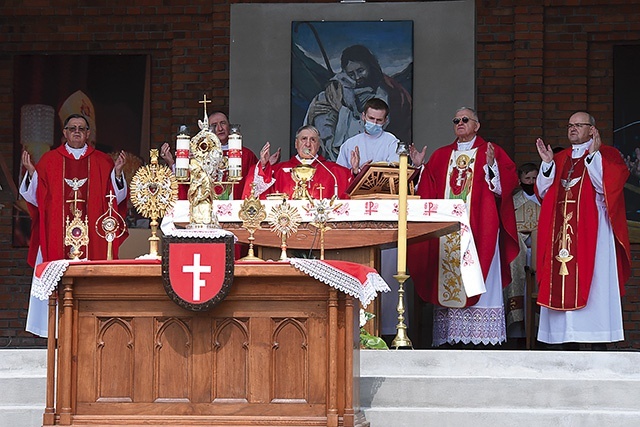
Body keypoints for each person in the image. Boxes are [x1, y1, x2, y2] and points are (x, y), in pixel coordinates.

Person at [407, 107, 520, 347]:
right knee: (448, 278)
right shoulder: (441, 156)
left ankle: (482, 339)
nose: (460, 123)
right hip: (447, 234)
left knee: (482, 276)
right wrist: (418, 170)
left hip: (481, 229)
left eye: (465, 119)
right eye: (456, 120)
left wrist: (492, 168)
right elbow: (426, 193)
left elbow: (506, 186)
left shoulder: (492, 151)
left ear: (476, 125)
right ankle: (451, 338)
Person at [20, 113, 128, 337]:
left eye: (81, 128)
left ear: (89, 134)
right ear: (64, 133)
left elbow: (114, 201)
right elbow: (35, 199)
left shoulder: (102, 161)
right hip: (56, 234)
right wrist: (32, 173)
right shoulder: (49, 161)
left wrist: (117, 174)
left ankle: (94, 327)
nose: (77, 131)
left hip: (93, 239)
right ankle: (56, 330)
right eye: (72, 128)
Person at [534, 111, 631, 349]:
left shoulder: (608, 154)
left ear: (592, 129)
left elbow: (607, 187)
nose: (573, 129)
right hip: (561, 236)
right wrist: (546, 165)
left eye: (579, 125)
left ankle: (597, 342)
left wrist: (594, 156)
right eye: (570, 125)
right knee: (561, 281)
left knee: (595, 283)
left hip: (592, 233)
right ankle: (563, 340)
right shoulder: (559, 158)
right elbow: (543, 194)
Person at [305, 45, 412, 161]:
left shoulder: (383, 94)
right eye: (351, 74)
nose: (357, 77)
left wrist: (345, 109)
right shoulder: (339, 87)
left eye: (360, 71)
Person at [160, 111, 273, 200]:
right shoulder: (199, 155)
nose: (219, 128)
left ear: (229, 126)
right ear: (208, 130)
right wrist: (172, 163)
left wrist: (264, 164)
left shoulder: (246, 155)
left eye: (223, 123)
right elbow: (185, 184)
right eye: (214, 125)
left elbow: (255, 182)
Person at [242, 125, 352, 200]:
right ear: (296, 144)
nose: (308, 144)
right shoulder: (279, 171)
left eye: (313, 140)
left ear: (318, 146)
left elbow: (352, 187)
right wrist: (263, 165)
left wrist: (355, 171)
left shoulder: (333, 171)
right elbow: (253, 191)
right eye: (304, 139)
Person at [505, 162, 541, 339]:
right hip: (518, 251)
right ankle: (518, 328)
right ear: (520, 179)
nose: (531, 181)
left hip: (538, 252)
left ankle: (539, 329)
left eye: (534, 178)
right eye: (527, 178)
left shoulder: (544, 199)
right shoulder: (514, 201)